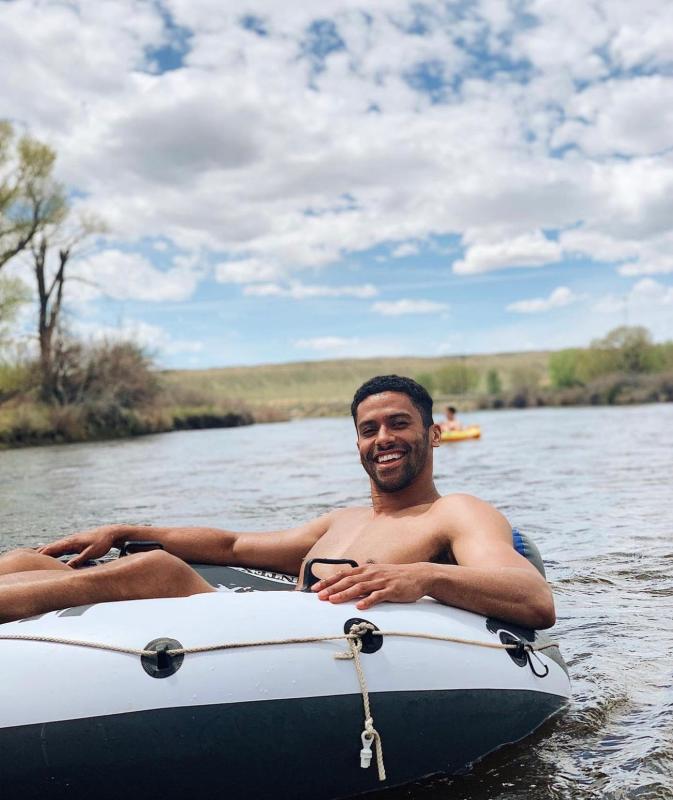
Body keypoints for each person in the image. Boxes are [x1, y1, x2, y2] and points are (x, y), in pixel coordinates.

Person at [0, 375, 555, 628]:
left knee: (159, 571)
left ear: (433, 435)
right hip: (266, 627)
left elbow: (533, 598)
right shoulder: (344, 521)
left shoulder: (457, 511)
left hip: (303, 644)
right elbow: (234, 544)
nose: (382, 438)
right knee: (26, 559)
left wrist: (425, 578)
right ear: (357, 442)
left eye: (399, 424)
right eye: (368, 429)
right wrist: (121, 530)